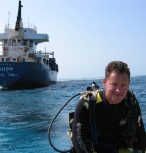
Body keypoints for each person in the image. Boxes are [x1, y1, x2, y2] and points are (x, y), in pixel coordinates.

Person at [71, 61, 146, 153]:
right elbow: (78, 140)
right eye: (114, 84)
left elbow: (140, 135)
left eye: (123, 85)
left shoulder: (131, 103)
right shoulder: (86, 104)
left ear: (129, 84)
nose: (119, 90)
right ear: (105, 82)